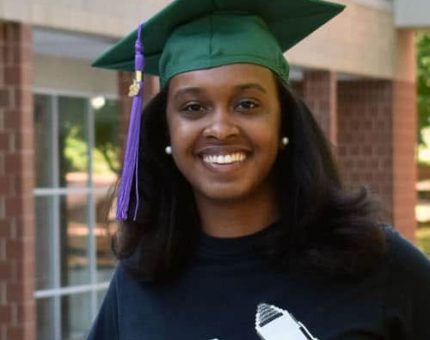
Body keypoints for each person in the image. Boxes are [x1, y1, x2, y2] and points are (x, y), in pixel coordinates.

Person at [88, 0, 430, 339]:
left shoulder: (381, 266)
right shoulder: (141, 280)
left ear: (284, 121)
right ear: (167, 132)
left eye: (247, 104)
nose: (220, 128)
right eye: (193, 107)